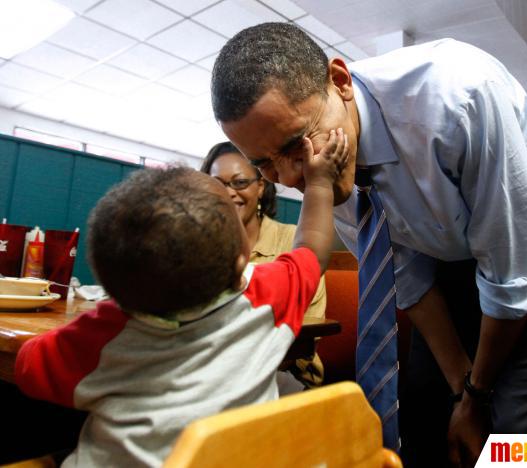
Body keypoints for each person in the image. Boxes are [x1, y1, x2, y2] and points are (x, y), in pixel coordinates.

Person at [210, 23, 527, 467]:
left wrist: (477, 395)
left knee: (518, 438)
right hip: (455, 247)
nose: (292, 177)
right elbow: (408, 278)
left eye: (295, 145)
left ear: (341, 82)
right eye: (263, 165)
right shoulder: (325, 162)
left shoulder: (454, 95)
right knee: (424, 414)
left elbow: (511, 275)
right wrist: (461, 389)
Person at [14, 128, 347, 467]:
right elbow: (311, 250)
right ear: (239, 265)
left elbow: (28, 367)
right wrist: (319, 183)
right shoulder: (264, 296)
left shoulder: (104, 334)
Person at [201, 141, 327, 390]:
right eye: (217, 184)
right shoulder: (199, 248)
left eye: (239, 182)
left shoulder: (293, 242)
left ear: (260, 186)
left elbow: (307, 334)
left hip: (281, 371)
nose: (228, 193)